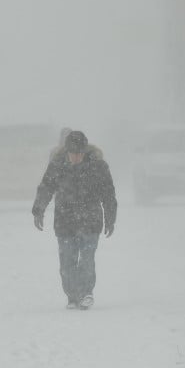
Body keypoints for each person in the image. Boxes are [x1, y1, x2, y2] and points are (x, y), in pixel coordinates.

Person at [32, 130, 117, 310]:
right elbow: (46, 187)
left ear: (85, 151)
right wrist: (38, 209)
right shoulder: (57, 166)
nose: (76, 157)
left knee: (87, 259)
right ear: (67, 151)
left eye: (79, 153)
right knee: (67, 263)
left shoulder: (98, 167)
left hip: (90, 221)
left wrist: (110, 216)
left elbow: (108, 193)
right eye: (73, 153)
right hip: (65, 222)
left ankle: (86, 293)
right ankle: (72, 296)